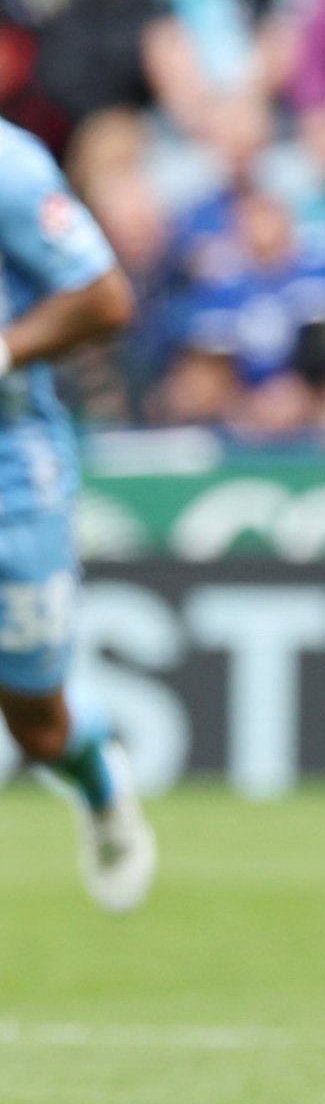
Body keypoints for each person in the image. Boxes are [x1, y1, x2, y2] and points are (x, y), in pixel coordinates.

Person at [0, 117, 155, 911]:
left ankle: (95, 773)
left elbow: (103, 296)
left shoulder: (10, 166)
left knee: (36, 722)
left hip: (10, 471)